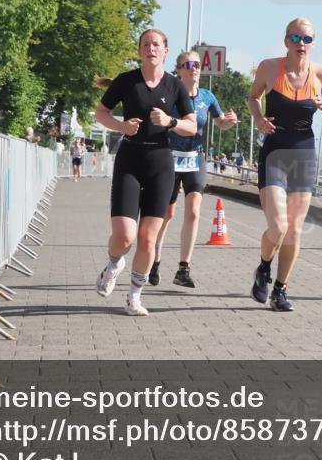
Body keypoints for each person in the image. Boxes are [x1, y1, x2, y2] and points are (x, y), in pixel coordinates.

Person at [93, 29, 197, 316]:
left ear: (165, 50)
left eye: (156, 44)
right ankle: (114, 264)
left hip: (161, 162)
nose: (151, 48)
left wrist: (170, 121)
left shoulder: (175, 86)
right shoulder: (127, 81)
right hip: (130, 157)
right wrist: (121, 127)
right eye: (146, 44)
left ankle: (134, 296)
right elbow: (100, 112)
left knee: (148, 239)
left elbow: (192, 126)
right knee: (125, 236)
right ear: (140, 50)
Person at [248, 17, 322, 312]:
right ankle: (264, 267)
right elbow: (253, 97)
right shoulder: (269, 68)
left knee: (294, 231)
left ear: (313, 44)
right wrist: (259, 118)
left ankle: (280, 289)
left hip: (303, 153)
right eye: (296, 38)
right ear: (286, 40)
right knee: (277, 226)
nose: (302, 44)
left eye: (307, 39)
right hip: (274, 151)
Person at [150, 50, 238, 288]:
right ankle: (154, 259)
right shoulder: (170, 94)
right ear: (178, 69)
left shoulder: (207, 97)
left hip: (195, 159)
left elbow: (220, 123)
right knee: (167, 213)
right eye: (188, 64)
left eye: (198, 64)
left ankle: (183, 268)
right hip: (170, 156)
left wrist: (229, 122)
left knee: (194, 211)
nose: (194, 68)